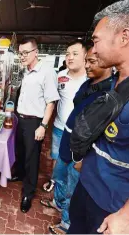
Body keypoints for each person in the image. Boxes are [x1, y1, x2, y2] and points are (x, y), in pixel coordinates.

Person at [67, 1, 129, 234]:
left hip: (112, 207)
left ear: (124, 37)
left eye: (96, 41)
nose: (92, 50)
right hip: (87, 188)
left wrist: (126, 215)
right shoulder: (115, 83)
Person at [41, 45, 113, 234]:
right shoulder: (87, 84)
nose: (88, 65)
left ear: (106, 63)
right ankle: (58, 202)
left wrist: (81, 156)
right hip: (65, 136)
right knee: (59, 175)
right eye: (87, 61)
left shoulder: (110, 92)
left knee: (73, 186)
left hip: (80, 150)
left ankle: (66, 223)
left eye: (92, 61)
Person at [9, 37, 60, 213]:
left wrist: (43, 126)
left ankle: (28, 194)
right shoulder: (26, 71)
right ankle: (19, 174)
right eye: (20, 53)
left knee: (32, 158)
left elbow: (51, 102)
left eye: (25, 53)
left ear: (35, 52)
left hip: (34, 122)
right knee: (21, 151)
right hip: (21, 118)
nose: (22, 56)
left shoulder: (47, 72)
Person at [43, 40, 87, 193]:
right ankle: (54, 183)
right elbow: (51, 99)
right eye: (67, 54)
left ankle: (68, 193)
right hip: (59, 128)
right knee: (56, 157)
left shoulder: (90, 79)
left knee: (75, 164)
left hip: (80, 134)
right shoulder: (60, 76)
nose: (70, 57)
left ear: (85, 56)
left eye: (75, 54)